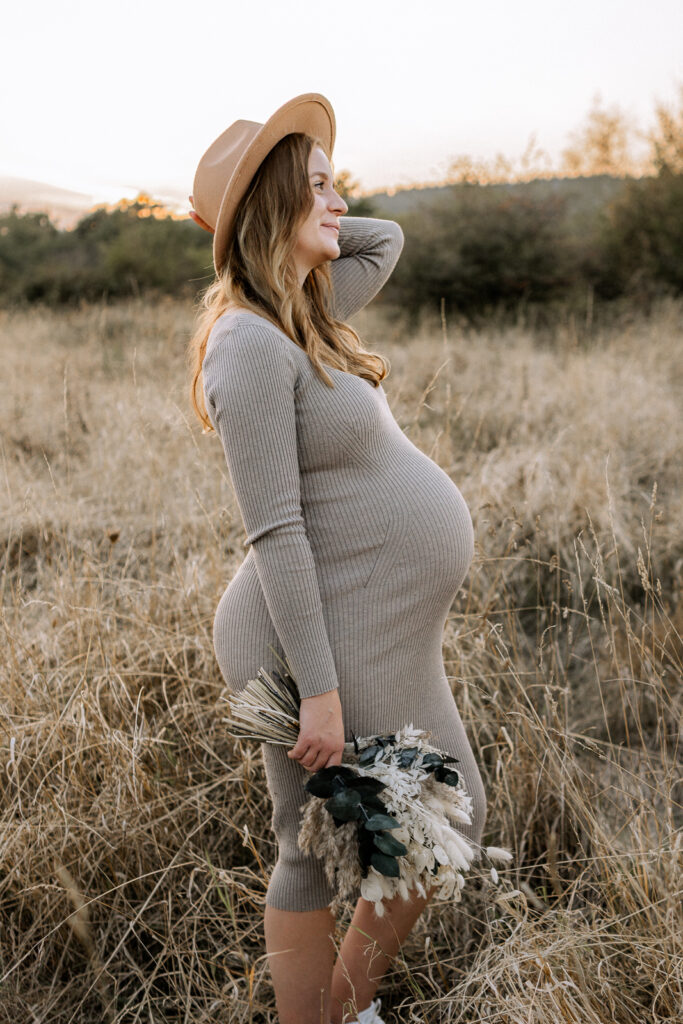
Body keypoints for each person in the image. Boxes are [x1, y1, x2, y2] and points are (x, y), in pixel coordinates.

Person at [188, 93, 487, 1024]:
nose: (340, 201)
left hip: (367, 615)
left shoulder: (299, 314)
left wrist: (286, 213)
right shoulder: (245, 343)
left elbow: (382, 240)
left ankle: (339, 1010)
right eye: (316, 187)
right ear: (271, 206)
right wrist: (317, 692)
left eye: (334, 183)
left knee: (442, 814)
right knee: (322, 841)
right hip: (300, 636)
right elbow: (274, 530)